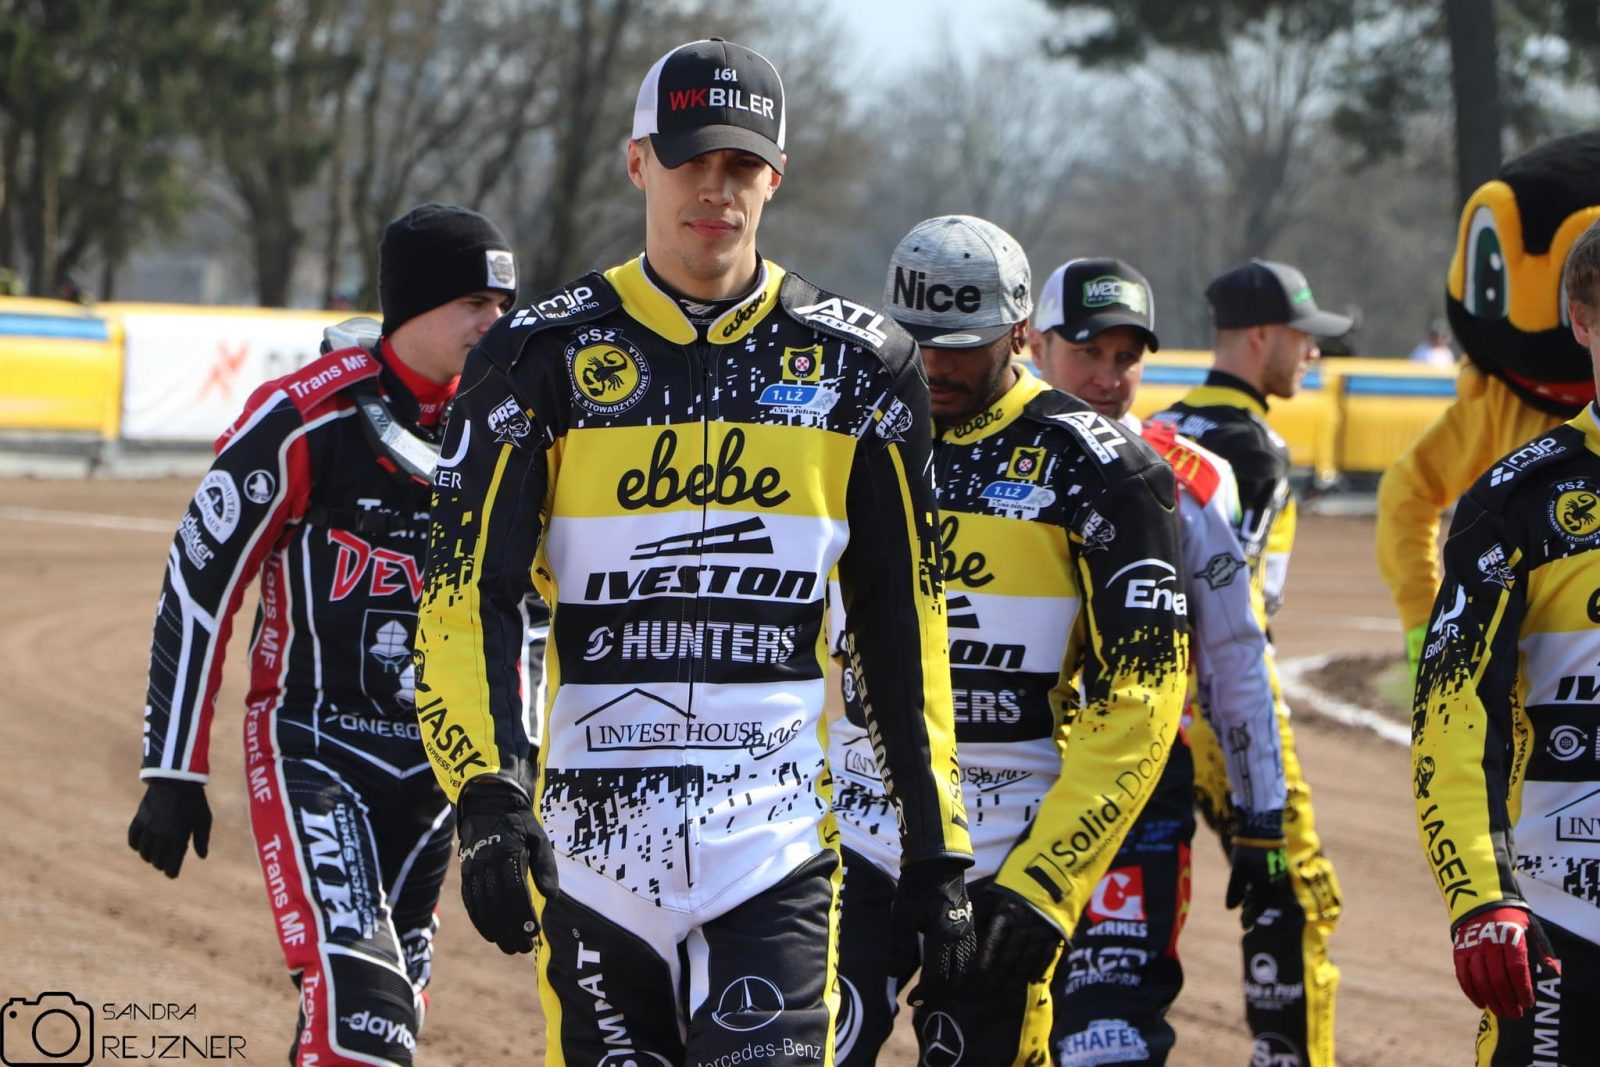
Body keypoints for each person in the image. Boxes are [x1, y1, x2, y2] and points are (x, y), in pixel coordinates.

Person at [413, 39, 974, 1066]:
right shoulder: (534, 357)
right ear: (639, 163)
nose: (716, 188)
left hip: (773, 847)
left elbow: (903, 616)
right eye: (690, 160)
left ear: (775, 177)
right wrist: (488, 795)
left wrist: (937, 845)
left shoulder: (863, 366)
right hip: (590, 848)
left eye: (741, 164)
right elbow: (465, 596)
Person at [126, 203, 520, 1066]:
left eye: (504, 305)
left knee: (377, 1021)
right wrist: (172, 767)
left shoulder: (507, 428)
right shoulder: (304, 418)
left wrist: (511, 787)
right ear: (414, 305)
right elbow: (199, 583)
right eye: (474, 304)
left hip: (437, 779)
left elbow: (525, 617)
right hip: (315, 750)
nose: (496, 323)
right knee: (364, 1011)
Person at [827, 220, 1190, 1067]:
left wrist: (1049, 883)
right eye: (918, 339)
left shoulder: (1106, 469)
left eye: (964, 345)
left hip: (1005, 850)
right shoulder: (842, 435)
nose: (936, 364)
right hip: (848, 833)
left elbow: (1143, 697)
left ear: (1021, 331)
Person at [1030, 257, 1288, 1064]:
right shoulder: (965, 456)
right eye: (1088, 353)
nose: (1108, 378)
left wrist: (1262, 812)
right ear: (1035, 344)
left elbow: (1236, 654)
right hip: (1004, 785)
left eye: (1126, 357)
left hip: (1136, 794)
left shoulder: (1194, 478)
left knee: (1109, 1036)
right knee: (992, 1026)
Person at [1410, 215, 1600, 1064]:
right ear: (1582, 321)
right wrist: (1480, 893)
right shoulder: (1516, 499)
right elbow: (1451, 713)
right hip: (1562, 916)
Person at [1147, 259, 1346, 1067]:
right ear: (1261, 336)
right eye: (1304, 338)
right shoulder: (1254, 449)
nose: (1313, 354)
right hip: (1223, 713)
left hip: (1146, 708)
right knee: (1295, 895)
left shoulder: (1158, 425)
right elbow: (1236, 619)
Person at [1377, 133, 1600, 680]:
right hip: (1540, 690)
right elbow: (1407, 491)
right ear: (1581, 316)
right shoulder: (1499, 406)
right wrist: (1424, 624)